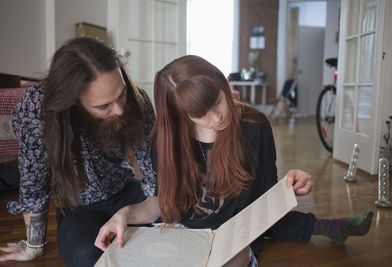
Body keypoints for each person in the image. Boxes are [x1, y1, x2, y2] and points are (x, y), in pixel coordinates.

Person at [95, 55, 373, 266]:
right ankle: (326, 227)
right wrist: (125, 214)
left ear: (222, 84)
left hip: (237, 231)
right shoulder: (165, 141)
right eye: (200, 114)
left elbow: (264, 194)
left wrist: (290, 185)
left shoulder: (254, 126)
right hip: (189, 234)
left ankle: (327, 226)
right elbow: (162, 201)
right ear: (181, 116)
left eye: (217, 101)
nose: (217, 117)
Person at [0, 37, 160, 266]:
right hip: (77, 206)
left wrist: (135, 212)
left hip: (125, 189)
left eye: (120, 94)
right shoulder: (36, 110)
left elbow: (155, 175)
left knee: (187, 219)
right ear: (71, 101)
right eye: (104, 106)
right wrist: (34, 245)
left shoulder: (136, 100)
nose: (120, 109)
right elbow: (34, 185)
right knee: (85, 257)